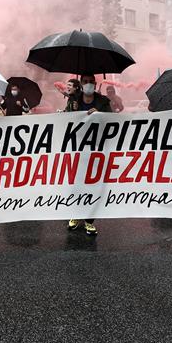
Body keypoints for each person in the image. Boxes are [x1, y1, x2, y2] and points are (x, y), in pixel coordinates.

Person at [66, 74, 112, 236]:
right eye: (85, 82)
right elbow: (66, 121)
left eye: (91, 82)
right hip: (77, 149)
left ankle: (89, 221)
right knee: (76, 184)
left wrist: (99, 114)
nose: (88, 84)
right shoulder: (73, 101)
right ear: (81, 84)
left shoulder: (103, 102)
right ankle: (75, 215)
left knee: (93, 185)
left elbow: (112, 121)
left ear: (95, 83)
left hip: (97, 149)